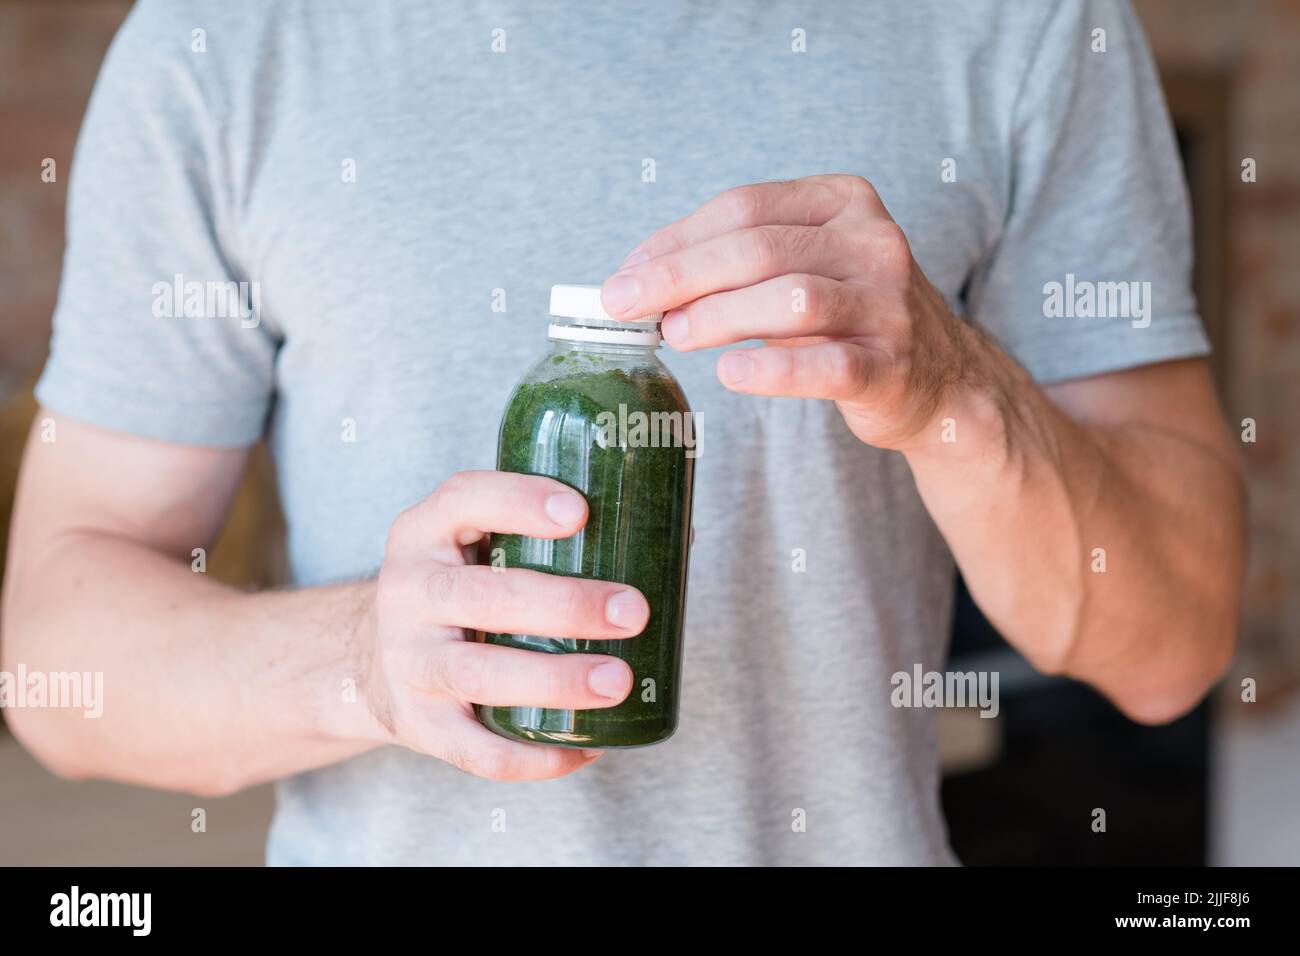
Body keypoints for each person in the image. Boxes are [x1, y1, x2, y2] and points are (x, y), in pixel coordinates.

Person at [1, 0, 1245, 865]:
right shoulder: (222, 45)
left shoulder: (1022, 25)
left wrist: (958, 389)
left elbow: (1173, 642)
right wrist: (366, 660)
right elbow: (60, 662)